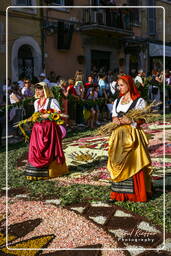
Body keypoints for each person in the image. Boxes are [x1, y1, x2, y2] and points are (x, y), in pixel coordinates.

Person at [107, 75, 152, 202]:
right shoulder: (117, 101)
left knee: (133, 162)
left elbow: (142, 120)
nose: (119, 88)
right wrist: (115, 120)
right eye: (118, 85)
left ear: (129, 85)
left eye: (122, 85)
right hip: (118, 136)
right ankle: (118, 193)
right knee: (117, 161)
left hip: (132, 136)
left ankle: (135, 194)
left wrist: (131, 121)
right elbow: (114, 117)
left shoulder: (139, 101)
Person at [25, 82, 68, 180]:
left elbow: (59, 114)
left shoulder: (52, 101)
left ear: (45, 90)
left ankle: (51, 171)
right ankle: (35, 171)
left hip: (50, 129)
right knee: (36, 148)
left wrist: (48, 115)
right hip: (38, 130)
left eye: (39, 89)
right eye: (36, 89)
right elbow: (36, 114)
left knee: (50, 148)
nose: (37, 91)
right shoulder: (36, 102)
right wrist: (32, 118)